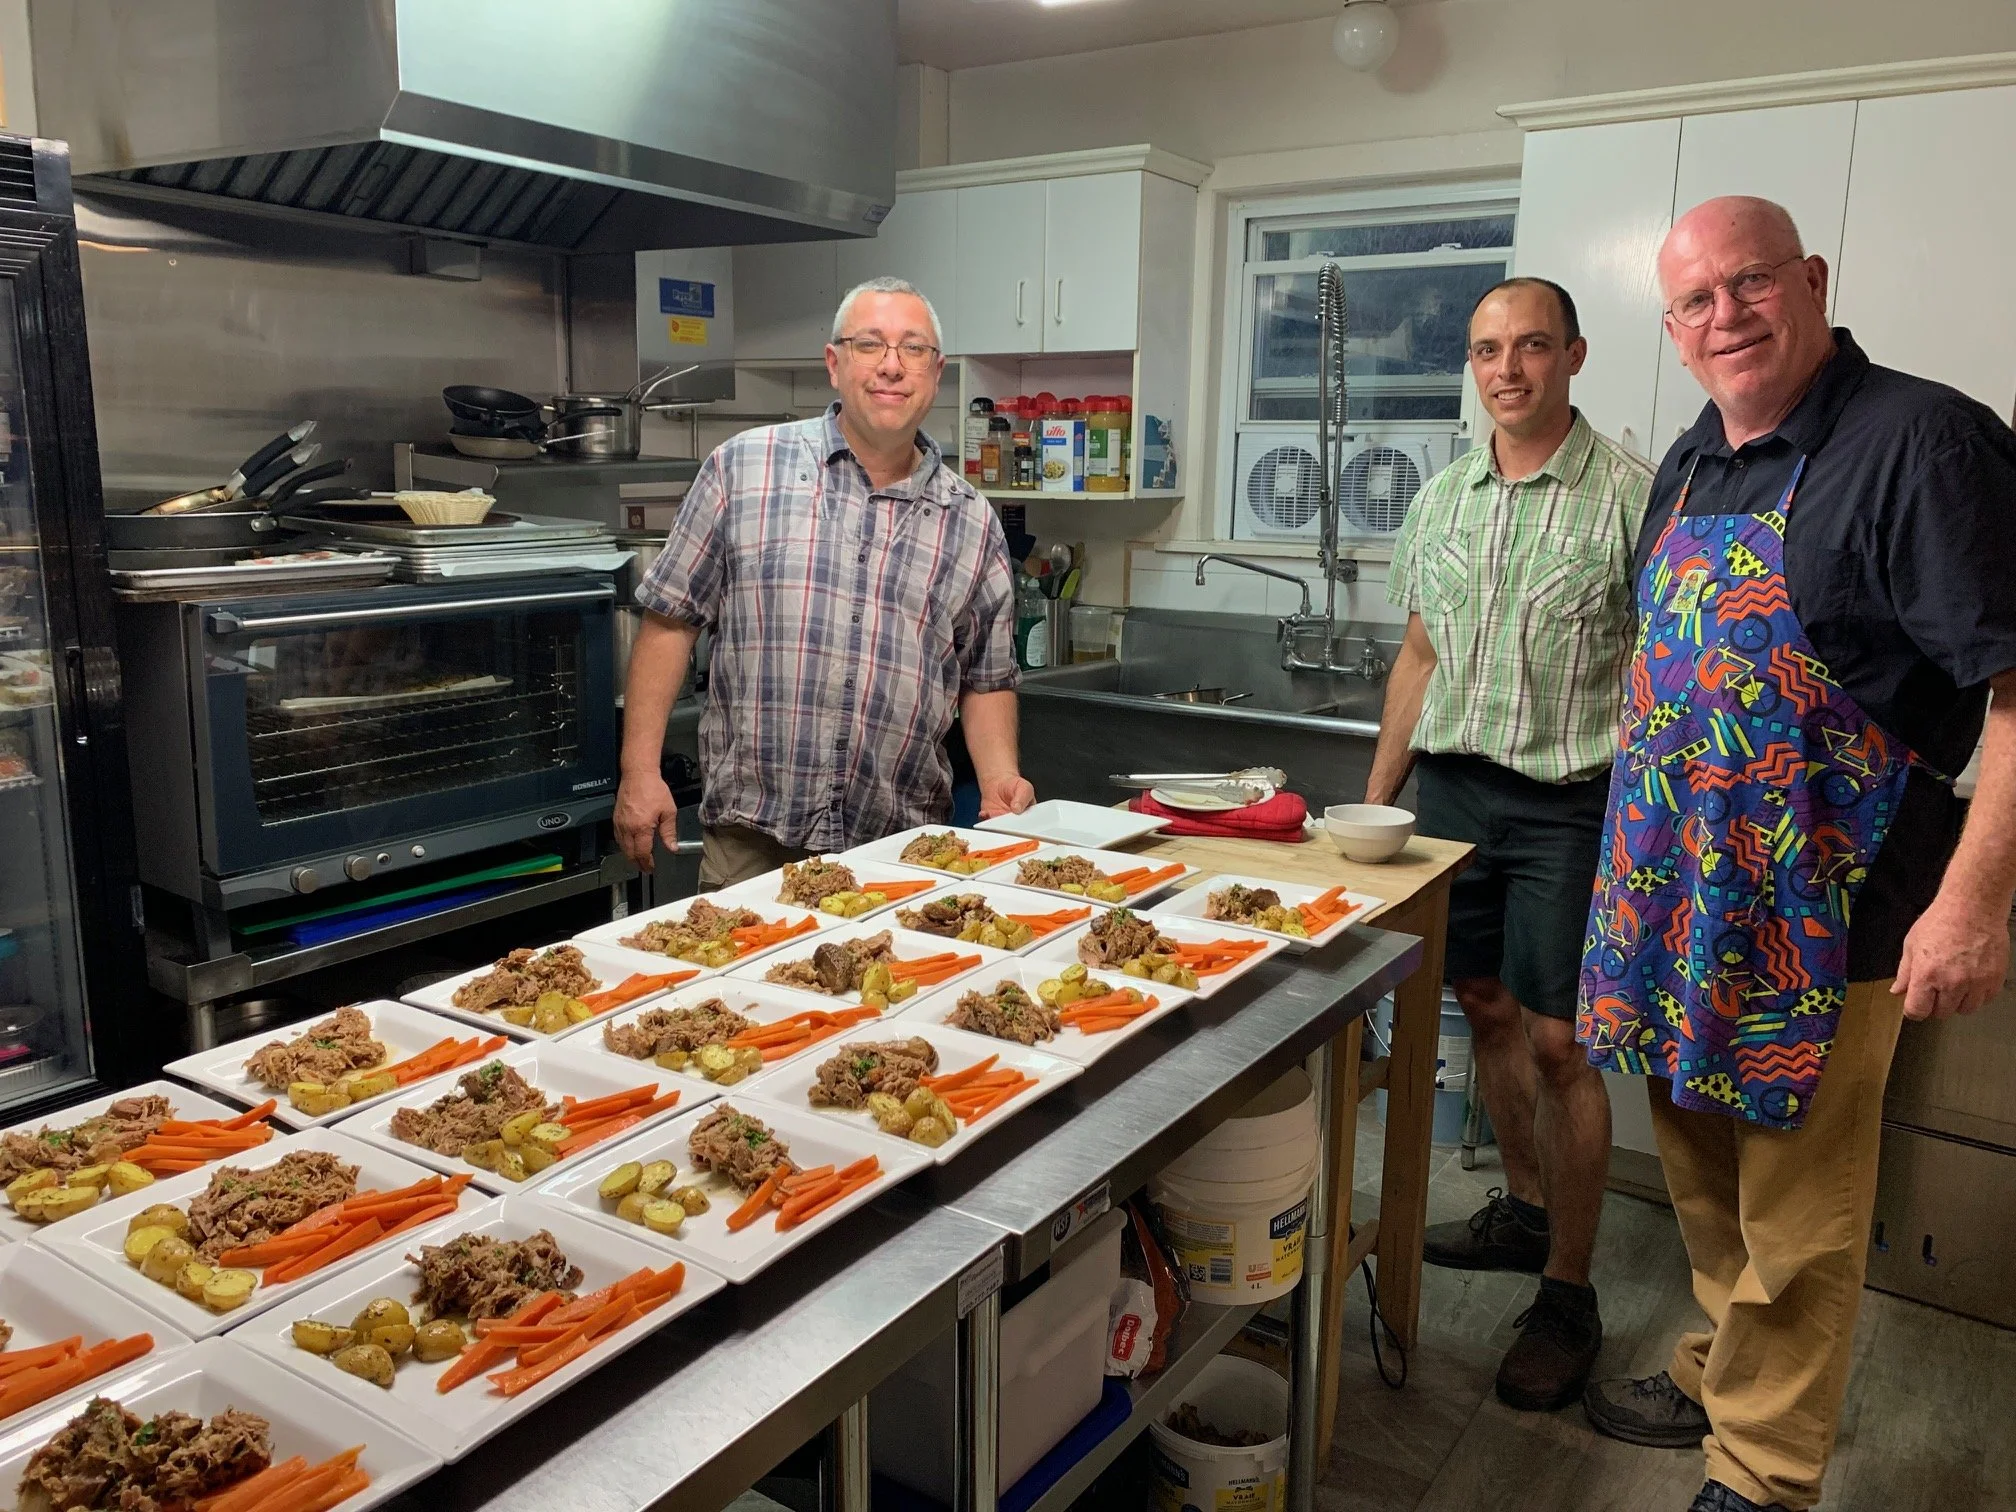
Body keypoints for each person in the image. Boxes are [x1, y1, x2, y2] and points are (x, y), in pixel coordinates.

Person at [1577, 196, 2016, 1512]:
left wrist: (1974, 905)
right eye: (1697, 302)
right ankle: (1729, 1371)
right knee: (1706, 1183)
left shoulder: (1924, 441)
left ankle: (1763, 1470)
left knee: (1799, 1213)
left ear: (1811, 279)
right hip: (1674, 899)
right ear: (1671, 329)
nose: (1728, 317)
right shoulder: (1694, 460)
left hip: (1832, 913)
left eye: (1752, 282)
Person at [1368, 277, 1651, 1412]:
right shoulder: (1441, 500)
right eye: (1487, 349)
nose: (1508, 368)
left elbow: (1661, 670)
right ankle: (1523, 1210)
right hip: (1453, 792)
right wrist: (1376, 807)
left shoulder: (1634, 497)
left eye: (1532, 345)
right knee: (1479, 1003)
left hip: (1571, 799)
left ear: (1573, 355)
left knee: (1561, 1042)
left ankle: (1568, 1293)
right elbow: (1419, 659)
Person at [614, 276, 1034, 888]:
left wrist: (1000, 782)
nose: (892, 366)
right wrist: (639, 771)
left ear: (935, 373)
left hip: (900, 853)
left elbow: (986, 679)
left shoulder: (970, 518)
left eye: (912, 348)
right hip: (752, 840)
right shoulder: (743, 467)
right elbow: (669, 622)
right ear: (834, 364)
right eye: (871, 344)